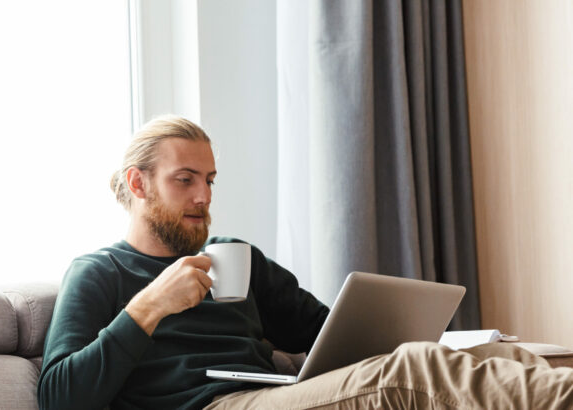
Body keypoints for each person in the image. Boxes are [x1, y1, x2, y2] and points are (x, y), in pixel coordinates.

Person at [37, 115, 573, 409]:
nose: (203, 196)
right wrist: (149, 307)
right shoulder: (100, 273)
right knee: (411, 372)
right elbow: (60, 397)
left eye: (210, 180)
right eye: (185, 180)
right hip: (208, 408)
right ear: (138, 184)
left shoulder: (235, 257)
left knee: (509, 359)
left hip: (273, 397)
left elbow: (328, 335)